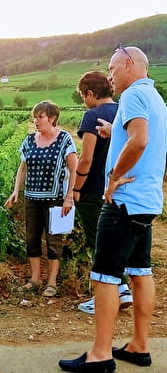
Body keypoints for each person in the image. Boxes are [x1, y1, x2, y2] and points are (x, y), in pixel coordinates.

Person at [59, 46, 167, 372]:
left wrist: (114, 177)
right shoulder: (156, 99)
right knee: (140, 271)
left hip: (123, 201)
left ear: (130, 65)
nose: (109, 75)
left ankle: (100, 355)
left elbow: (140, 140)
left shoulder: (133, 94)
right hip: (146, 201)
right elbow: (145, 139)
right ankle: (139, 346)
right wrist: (112, 131)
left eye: (112, 67)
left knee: (105, 276)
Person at [74, 71, 132, 315]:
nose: (84, 101)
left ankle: (106, 296)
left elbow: (86, 159)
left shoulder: (92, 116)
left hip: (94, 190)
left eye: (83, 96)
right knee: (113, 242)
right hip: (120, 189)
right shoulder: (123, 111)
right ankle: (123, 289)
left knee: (97, 244)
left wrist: (76, 188)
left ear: (90, 93)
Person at [5, 101, 77, 297]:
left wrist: (69, 197)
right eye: (34, 117)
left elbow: (73, 169)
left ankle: (52, 282)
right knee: (32, 239)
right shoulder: (29, 140)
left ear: (52, 118)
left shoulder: (64, 139)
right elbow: (23, 167)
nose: (36, 121)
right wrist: (16, 191)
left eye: (40, 117)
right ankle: (35, 279)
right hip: (32, 198)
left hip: (55, 200)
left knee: (54, 241)